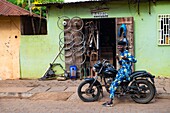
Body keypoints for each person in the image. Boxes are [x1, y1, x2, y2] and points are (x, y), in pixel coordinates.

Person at [102, 40, 137, 107]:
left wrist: (127, 58)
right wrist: (118, 59)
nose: (119, 47)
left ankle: (110, 101)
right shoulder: (122, 53)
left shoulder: (127, 53)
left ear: (124, 46)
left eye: (120, 46)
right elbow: (122, 63)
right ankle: (120, 90)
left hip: (125, 72)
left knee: (113, 84)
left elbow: (135, 60)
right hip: (122, 70)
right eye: (118, 46)